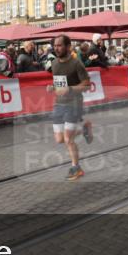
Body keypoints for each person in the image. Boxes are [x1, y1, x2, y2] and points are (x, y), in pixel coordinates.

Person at [46, 35, 93, 181]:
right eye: (55, 45)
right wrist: (52, 87)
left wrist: (70, 89)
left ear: (68, 47)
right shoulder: (54, 63)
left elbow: (87, 85)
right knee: (59, 139)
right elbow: (60, 84)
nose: (56, 48)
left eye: (60, 45)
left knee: (68, 139)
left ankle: (76, 168)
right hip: (59, 103)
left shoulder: (76, 63)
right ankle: (84, 129)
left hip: (74, 103)